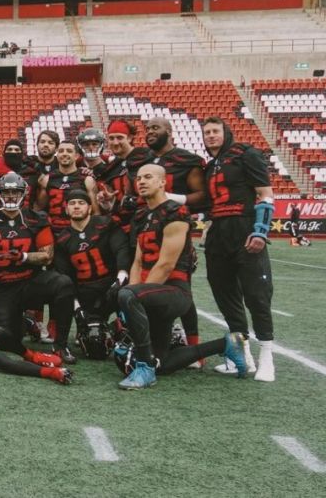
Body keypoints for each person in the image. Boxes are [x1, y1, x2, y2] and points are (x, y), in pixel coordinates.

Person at [115, 164, 248, 390]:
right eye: (138, 178)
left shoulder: (175, 212)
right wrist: (136, 295)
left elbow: (166, 264)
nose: (142, 182)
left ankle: (145, 369)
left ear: (162, 182)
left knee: (127, 294)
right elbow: (138, 260)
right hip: (151, 292)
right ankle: (225, 344)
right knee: (163, 363)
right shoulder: (140, 215)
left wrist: (137, 298)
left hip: (175, 292)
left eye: (148, 177)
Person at [0, 172, 76, 363]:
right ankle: (26, 322)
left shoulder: (35, 218)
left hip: (30, 283)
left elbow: (47, 256)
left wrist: (23, 257)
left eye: (15, 192)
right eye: (6, 192)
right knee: (8, 342)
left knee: (63, 283)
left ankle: (60, 346)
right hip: (3, 289)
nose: (10, 196)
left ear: (23, 194)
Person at [202, 117, 277, 382]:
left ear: (226, 132)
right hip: (218, 234)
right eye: (207, 132)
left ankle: (267, 354)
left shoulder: (246, 154)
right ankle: (242, 354)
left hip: (244, 229)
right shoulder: (210, 166)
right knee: (225, 293)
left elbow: (265, 194)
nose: (211, 136)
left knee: (256, 295)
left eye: (215, 131)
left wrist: (260, 230)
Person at [143, 116, 207, 364]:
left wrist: (171, 197)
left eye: (155, 128)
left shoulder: (186, 160)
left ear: (169, 132)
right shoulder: (143, 159)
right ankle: (158, 340)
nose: (150, 132)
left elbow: (202, 196)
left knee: (181, 289)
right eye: (147, 129)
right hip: (146, 228)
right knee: (148, 285)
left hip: (174, 229)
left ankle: (195, 350)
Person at [54, 189, 130, 359]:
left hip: (112, 286)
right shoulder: (62, 239)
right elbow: (64, 277)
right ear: (66, 209)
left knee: (131, 324)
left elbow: (121, 249)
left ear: (89, 207)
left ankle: (122, 326)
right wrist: (76, 307)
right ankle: (102, 327)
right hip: (86, 293)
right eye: (72, 203)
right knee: (95, 345)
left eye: (81, 203)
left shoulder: (105, 225)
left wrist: (121, 277)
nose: (76, 207)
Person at [95, 121, 152, 234]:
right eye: (111, 138)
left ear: (130, 138)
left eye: (120, 137)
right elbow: (113, 203)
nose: (115, 142)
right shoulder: (111, 168)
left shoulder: (147, 156)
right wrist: (107, 201)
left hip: (146, 222)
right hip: (123, 226)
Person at [38, 140, 99, 230]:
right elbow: (39, 208)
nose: (64, 154)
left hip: (77, 231)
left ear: (76, 156)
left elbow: (96, 212)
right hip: (53, 231)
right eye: (61, 151)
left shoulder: (87, 179)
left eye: (69, 151)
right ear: (57, 155)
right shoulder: (47, 179)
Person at [0, 139, 39, 209]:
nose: (13, 152)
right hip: (1, 214)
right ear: (4, 153)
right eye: (10, 149)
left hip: (26, 215)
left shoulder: (32, 173)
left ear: (22, 154)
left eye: (17, 150)